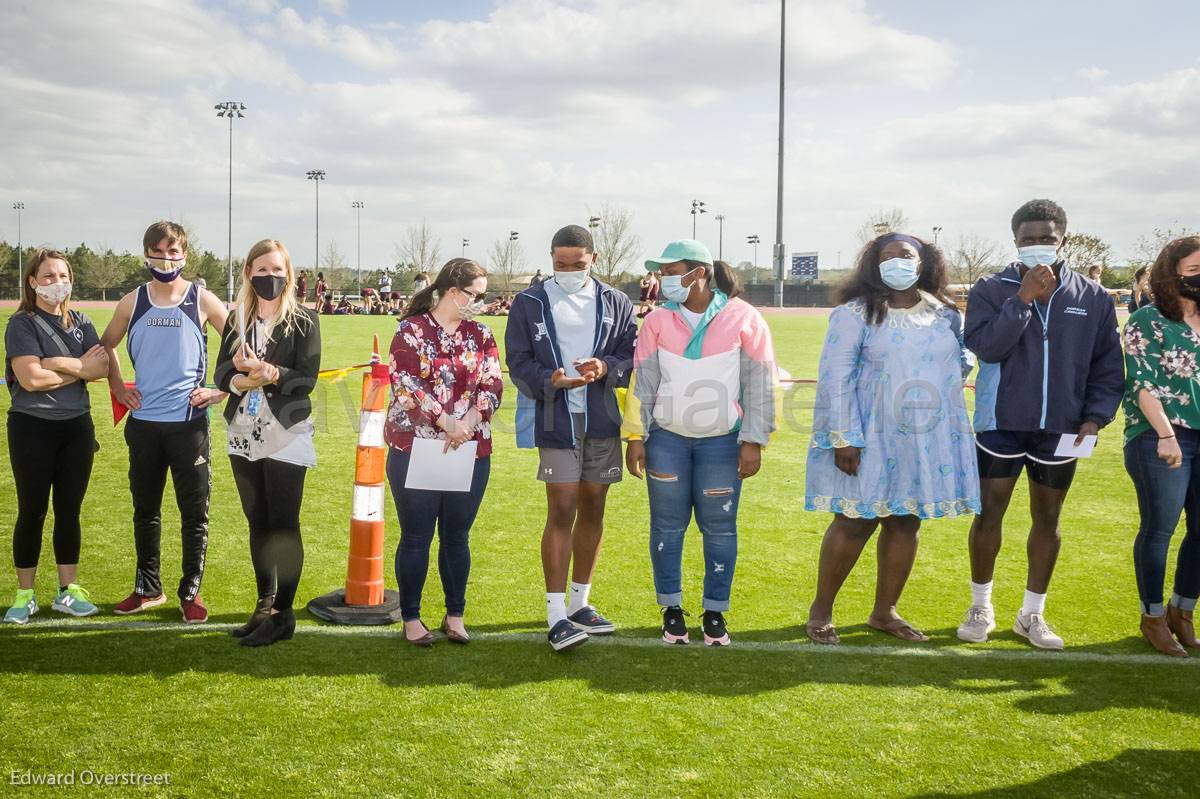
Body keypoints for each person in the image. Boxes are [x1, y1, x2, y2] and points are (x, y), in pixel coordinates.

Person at [959, 199, 1123, 650]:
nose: (1037, 246)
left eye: (1046, 239)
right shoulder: (993, 288)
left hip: (1063, 428)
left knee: (1047, 519)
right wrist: (1022, 300)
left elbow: (1108, 364)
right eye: (1028, 240)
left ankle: (1032, 614)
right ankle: (981, 605)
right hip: (1000, 423)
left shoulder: (1091, 296)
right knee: (989, 514)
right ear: (1015, 242)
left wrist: (1095, 417)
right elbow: (986, 348)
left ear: (1062, 239)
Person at [804, 234, 979, 645]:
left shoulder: (945, 314)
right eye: (887, 257)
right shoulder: (854, 314)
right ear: (873, 265)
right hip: (869, 435)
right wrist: (845, 437)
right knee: (854, 521)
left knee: (905, 520)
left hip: (924, 438)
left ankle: (885, 612)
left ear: (924, 263)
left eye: (906, 255)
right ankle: (821, 610)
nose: (897, 262)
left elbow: (962, 361)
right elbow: (836, 377)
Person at [623, 240, 776, 647]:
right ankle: (671, 609)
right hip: (667, 441)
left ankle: (714, 612)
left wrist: (753, 439)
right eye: (663, 273)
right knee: (667, 527)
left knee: (720, 529)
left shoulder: (744, 317)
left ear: (699, 273)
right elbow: (644, 381)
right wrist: (635, 435)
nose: (664, 280)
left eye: (672, 272)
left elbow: (759, 383)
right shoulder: (656, 320)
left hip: (723, 444)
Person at [505, 225, 638, 652]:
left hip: (601, 418)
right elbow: (518, 362)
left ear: (593, 260)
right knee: (561, 508)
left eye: (576, 265)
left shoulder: (616, 301)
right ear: (550, 259)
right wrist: (551, 379)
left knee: (594, 506)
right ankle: (555, 613)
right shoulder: (529, 302)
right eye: (559, 264)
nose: (567, 271)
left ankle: (581, 602)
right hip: (556, 419)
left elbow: (632, 355)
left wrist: (606, 367)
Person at [101, 221, 228, 623]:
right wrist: (119, 386)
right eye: (159, 251)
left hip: (189, 425)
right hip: (144, 425)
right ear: (146, 254)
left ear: (185, 256)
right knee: (146, 510)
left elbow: (241, 345)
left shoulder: (202, 299)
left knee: (194, 513)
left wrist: (220, 390)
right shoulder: (132, 301)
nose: (166, 258)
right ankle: (147, 587)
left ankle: (191, 591)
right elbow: (106, 345)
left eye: (174, 252)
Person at [385, 258, 503, 647]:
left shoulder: (482, 334)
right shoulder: (411, 332)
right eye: (475, 295)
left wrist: (467, 421)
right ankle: (412, 618)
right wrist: (446, 423)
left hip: (470, 450)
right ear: (452, 292)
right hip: (416, 447)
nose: (480, 303)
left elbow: (493, 383)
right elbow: (405, 386)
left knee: (457, 537)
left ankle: (455, 614)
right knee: (416, 536)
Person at [214, 240, 321, 647]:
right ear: (248, 274)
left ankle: (283, 614)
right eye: (261, 270)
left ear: (289, 275)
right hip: (243, 429)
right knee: (257, 522)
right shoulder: (236, 319)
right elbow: (221, 372)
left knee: (283, 524)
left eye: (277, 270)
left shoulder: (305, 320)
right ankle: (264, 604)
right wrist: (243, 378)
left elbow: (306, 379)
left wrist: (269, 372)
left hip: (286, 433)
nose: (269, 278)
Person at [3, 249, 108, 624]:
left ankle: (67, 591)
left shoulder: (81, 321)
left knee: (69, 512)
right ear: (32, 282)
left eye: (62, 275)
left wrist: (57, 365)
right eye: (47, 276)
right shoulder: (22, 324)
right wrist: (79, 368)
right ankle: (24, 596)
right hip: (31, 428)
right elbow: (30, 380)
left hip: (76, 429)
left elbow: (100, 368)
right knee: (32, 511)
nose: (56, 283)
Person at [1121, 236, 1200, 657]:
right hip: (1160, 435)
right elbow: (1140, 382)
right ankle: (1152, 616)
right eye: (1194, 271)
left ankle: (1181, 612)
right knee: (1160, 529)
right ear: (1173, 274)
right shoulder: (1147, 320)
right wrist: (1166, 435)